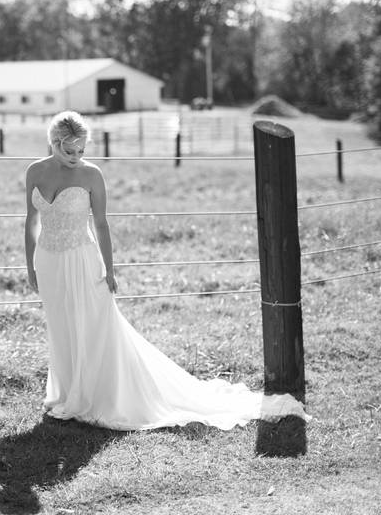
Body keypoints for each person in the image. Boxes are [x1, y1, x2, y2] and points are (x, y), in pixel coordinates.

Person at [25, 111, 309, 430]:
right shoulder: (35, 171)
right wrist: (30, 265)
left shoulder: (91, 175)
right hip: (48, 261)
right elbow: (31, 220)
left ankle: (91, 394)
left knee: (92, 325)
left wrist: (109, 269)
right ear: (54, 143)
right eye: (69, 150)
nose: (76, 157)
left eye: (81, 150)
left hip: (83, 259)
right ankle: (65, 392)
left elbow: (101, 224)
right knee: (60, 324)